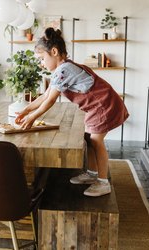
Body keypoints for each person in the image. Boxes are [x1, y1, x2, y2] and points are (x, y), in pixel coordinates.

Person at [15, 28, 129, 197]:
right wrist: (25, 110)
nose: (41, 63)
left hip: (103, 106)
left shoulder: (64, 70)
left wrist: (32, 117)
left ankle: (103, 182)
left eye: (42, 58)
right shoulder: (62, 70)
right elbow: (45, 96)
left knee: (96, 141)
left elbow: (51, 100)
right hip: (96, 107)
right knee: (89, 140)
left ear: (54, 52)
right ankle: (92, 173)